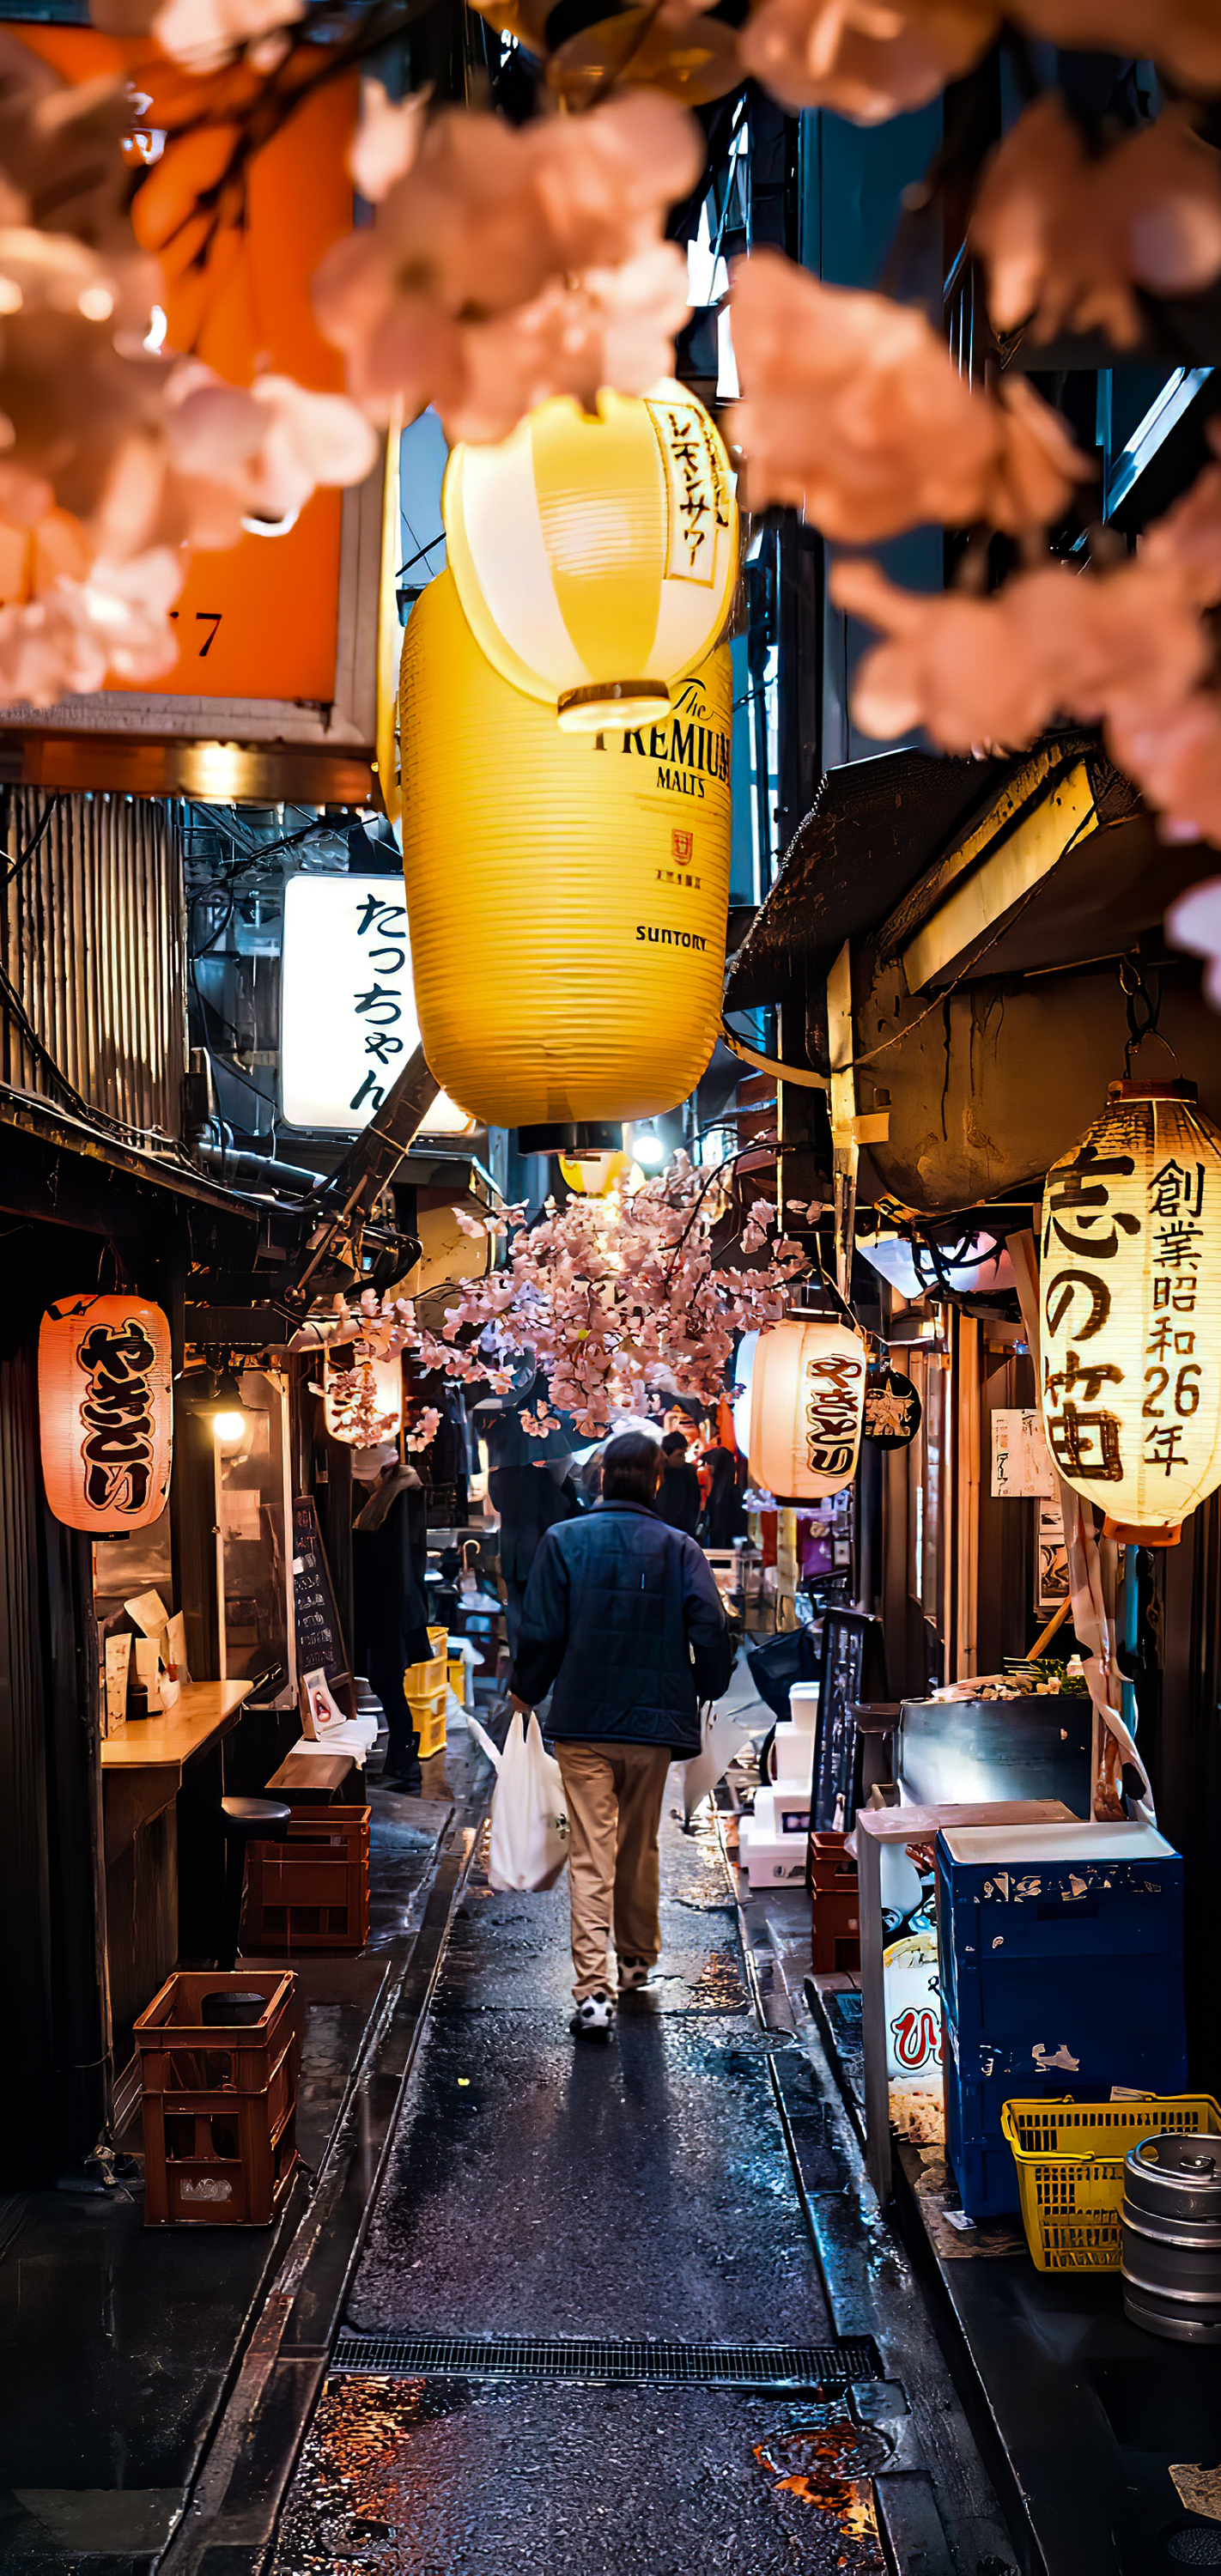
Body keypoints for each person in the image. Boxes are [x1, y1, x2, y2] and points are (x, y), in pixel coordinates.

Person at [508, 1430, 733, 2040]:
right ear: (657, 1481)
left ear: (603, 1477)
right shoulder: (678, 1547)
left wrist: (526, 1688)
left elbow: (543, 1631)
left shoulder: (564, 1541)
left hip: (583, 1721)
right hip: (655, 1723)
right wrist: (708, 1684)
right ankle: (635, 1962)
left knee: (591, 1854)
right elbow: (710, 1625)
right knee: (639, 1845)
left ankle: (592, 1993)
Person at [352, 1443, 433, 1793]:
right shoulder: (398, 1494)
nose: (362, 1486)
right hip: (391, 1608)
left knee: (388, 1685)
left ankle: (404, 1767)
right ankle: (401, 1766)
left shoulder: (400, 1498)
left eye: (366, 1480)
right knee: (388, 1685)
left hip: (390, 1609)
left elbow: (395, 1563)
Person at [655, 1428, 702, 1537]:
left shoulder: (688, 1472)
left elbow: (694, 1503)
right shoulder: (657, 1474)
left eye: (684, 1454)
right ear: (666, 1455)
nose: (683, 1459)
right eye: (679, 1455)